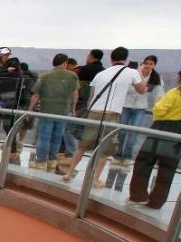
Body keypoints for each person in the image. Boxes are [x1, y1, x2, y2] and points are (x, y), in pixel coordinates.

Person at [62, 47, 146, 184]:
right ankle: (95, 179)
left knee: (82, 146)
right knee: (105, 149)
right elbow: (142, 90)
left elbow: (91, 97)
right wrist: (140, 71)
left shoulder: (101, 74)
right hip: (112, 114)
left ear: (111, 59)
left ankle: (69, 173)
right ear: (126, 59)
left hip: (94, 112)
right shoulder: (131, 72)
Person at [127, 71, 181, 209]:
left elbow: (160, 109)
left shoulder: (174, 93)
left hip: (163, 127)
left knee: (144, 161)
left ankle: (138, 196)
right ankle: (157, 201)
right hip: (178, 135)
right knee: (168, 167)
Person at [28, 53, 79, 171]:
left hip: (46, 110)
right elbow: (75, 93)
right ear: (65, 63)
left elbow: (36, 94)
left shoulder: (45, 75)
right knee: (57, 136)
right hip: (63, 111)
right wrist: (73, 108)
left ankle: (41, 161)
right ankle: (52, 161)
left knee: (44, 137)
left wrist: (30, 110)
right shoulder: (72, 76)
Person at [115, 55, 165, 166]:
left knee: (133, 133)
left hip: (141, 108)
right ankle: (118, 155)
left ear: (154, 65)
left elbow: (159, 94)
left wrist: (161, 109)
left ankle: (127, 156)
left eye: (151, 63)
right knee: (121, 131)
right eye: (146, 63)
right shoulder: (133, 74)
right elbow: (124, 88)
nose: (147, 65)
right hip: (126, 105)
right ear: (142, 63)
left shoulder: (156, 78)